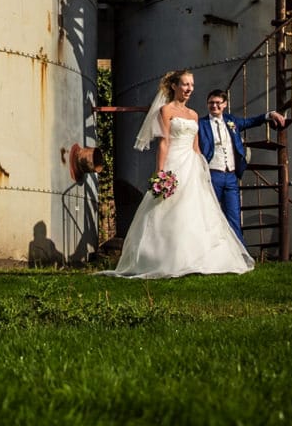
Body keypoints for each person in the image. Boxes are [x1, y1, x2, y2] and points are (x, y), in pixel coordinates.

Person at [102, 68, 254, 278]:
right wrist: (160, 173)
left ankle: (199, 258)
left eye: (191, 85)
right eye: (185, 84)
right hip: (174, 162)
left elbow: (196, 147)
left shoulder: (193, 115)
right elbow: (164, 143)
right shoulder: (166, 111)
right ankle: (163, 258)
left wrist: (202, 169)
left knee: (195, 210)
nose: (189, 89)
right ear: (174, 86)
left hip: (192, 164)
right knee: (168, 210)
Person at [198, 89, 287, 244]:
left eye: (218, 103)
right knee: (209, 215)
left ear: (224, 104)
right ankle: (207, 252)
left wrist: (270, 114)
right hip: (212, 175)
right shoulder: (201, 124)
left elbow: (251, 121)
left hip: (231, 176)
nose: (214, 106)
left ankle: (240, 254)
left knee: (234, 216)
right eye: (211, 103)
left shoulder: (231, 121)